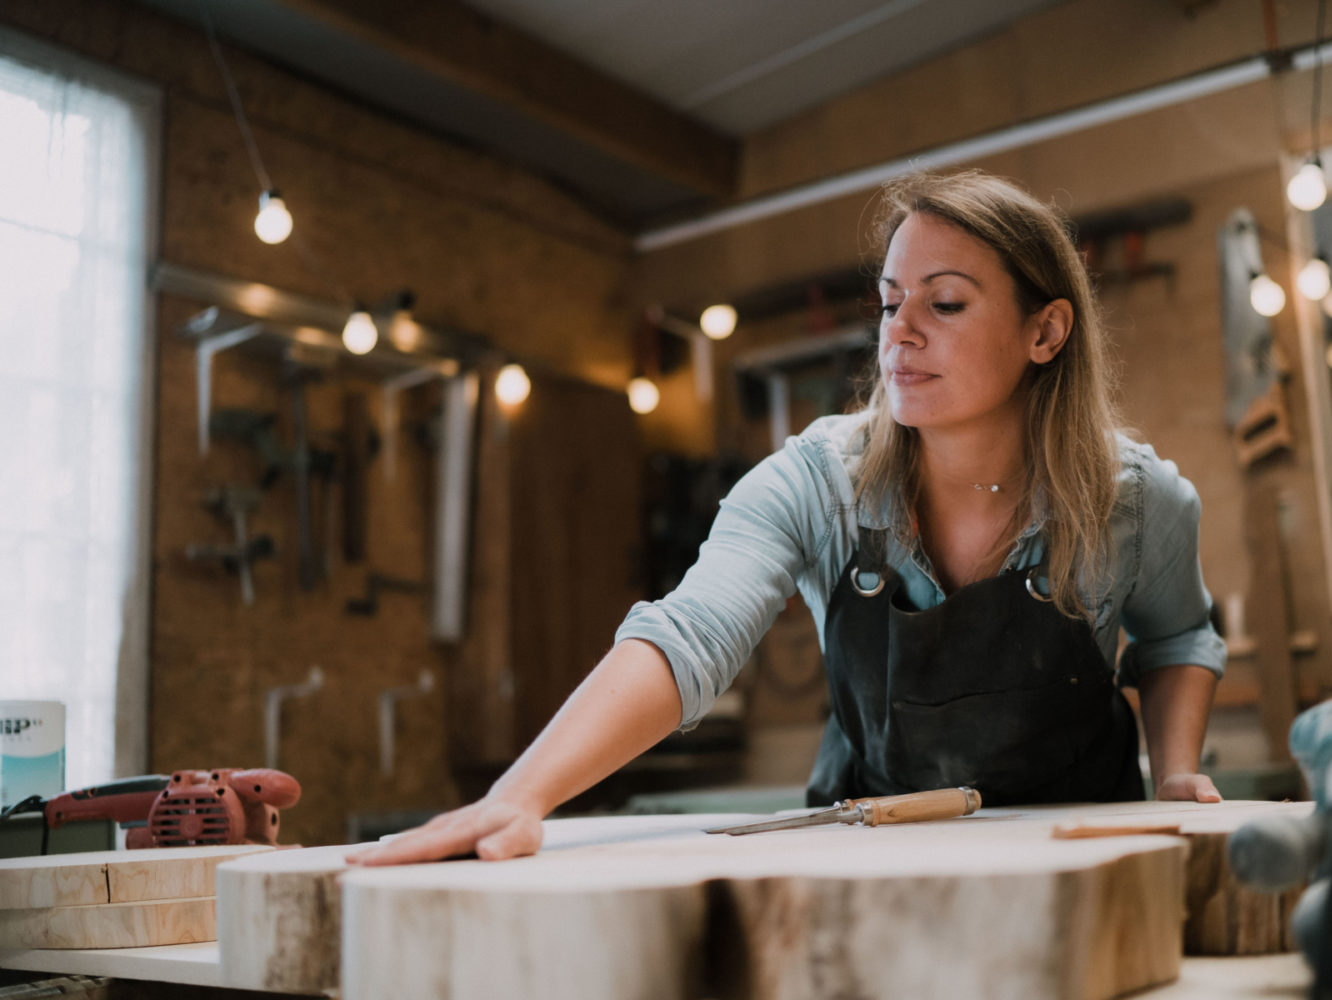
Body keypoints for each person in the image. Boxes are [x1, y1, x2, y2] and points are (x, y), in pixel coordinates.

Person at [347, 169, 1226, 867]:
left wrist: (1178, 770)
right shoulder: (815, 483)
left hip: (1080, 856)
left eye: (944, 303)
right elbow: (689, 635)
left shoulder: (1136, 502)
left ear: (1046, 332)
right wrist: (520, 796)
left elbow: (1178, 637)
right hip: (874, 854)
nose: (899, 332)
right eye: (889, 302)